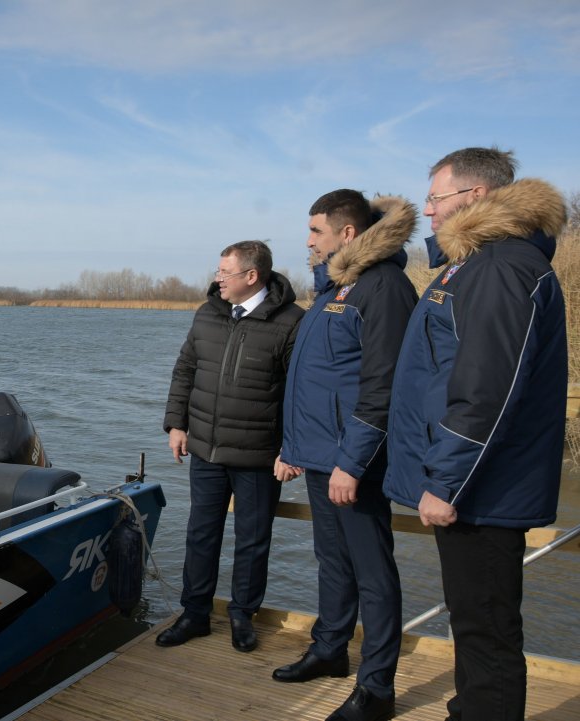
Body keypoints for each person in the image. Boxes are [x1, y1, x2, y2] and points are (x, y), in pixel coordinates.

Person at [384, 148, 567, 721]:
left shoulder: (501, 268)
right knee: (472, 619)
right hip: (473, 486)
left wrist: (445, 480)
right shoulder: (474, 266)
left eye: (436, 199)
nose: (430, 213)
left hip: (482, 491)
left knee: (486, 630)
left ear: (476, 197)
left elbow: (488, 388)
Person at [274, 190, 417, 721]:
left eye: (315, 231)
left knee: (373, 572)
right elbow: (313, 381)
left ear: (347, 233)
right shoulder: (337, 286)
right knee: (332, 562)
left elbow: (382, 385)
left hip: (355, 463)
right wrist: (292, 449)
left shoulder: (384, 288)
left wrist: (352, 462)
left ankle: (376, 687)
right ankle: (330, 650)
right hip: (317, 457)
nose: (308, 241)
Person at [159, 240, 304, 652]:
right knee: (201, 534)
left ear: (251, 276)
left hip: (259, 456)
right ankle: (195, 614)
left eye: (226, 272)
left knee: (253, 539)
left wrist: (291, 449)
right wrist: (176, 424)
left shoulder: (292, 321)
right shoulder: (208, 314)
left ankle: (243, 615)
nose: (217, 278)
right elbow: (185, 370)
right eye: (219, 271)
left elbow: (300, 391)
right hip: (204, 450)